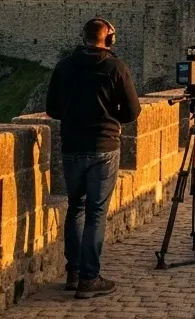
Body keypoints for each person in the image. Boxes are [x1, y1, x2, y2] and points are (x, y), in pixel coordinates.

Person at [46, 18, 142, 299]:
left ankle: (74, 272)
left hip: (73, 145)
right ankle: (90, 277)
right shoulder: (116, 68)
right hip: (104, 146)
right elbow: (133, 111)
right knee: (96, 212)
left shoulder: (64, 66)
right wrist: (113, 118)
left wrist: (75, 118)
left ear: (83, 37)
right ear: (109, 40)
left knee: (76, 207)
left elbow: (52, 108)